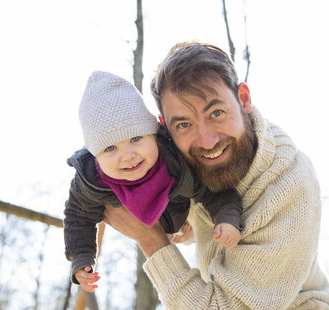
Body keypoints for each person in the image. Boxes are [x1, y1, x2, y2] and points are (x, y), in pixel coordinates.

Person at [102, 41, 329, 310]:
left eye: (216, 113)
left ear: (243, 99)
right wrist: (184, 223)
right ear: (165, 127)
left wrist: (151, 239)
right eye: (184, 125)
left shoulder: (289, 185)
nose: (207, 141)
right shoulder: (182, 159)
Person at [63, 71, 243, 292]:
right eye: (110, 148)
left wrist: (227, 218)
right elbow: (77, 217)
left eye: (136, 138)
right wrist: (81, 257)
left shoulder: (175, 163)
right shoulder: (89, 181)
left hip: (181, 223)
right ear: (95, 156)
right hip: (154, 232)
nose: (128, 155)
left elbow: (213, 190)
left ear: (154, 134)